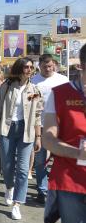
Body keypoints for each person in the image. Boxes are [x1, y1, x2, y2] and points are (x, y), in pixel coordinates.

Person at [0, 57, 43, 220]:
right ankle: (9, 187)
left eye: (31, 67)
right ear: (20, 68)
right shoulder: (6, 86)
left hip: (26, 131)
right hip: (7, 129)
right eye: (26, 67)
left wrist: (38, 136)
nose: (29, 69)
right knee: (7, 166)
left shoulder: (34, 89)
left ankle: (17, 204)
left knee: (22, 170)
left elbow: (37, 114)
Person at [42, 44, 86, 223]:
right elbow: (49, 139)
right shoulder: (59, 94)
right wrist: (78, 153)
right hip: (71, 179)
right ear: (81, 66)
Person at [31, 54, 69, 204]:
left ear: (54, 65)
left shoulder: (63, 80)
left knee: (62, 159)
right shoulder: (34, 82)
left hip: (60, 126)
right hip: (40, 125)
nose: (47, 69)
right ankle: (42, 190)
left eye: (50, 66)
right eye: (44, 66)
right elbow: (31, 104)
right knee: (40, 160)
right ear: (39, 66)